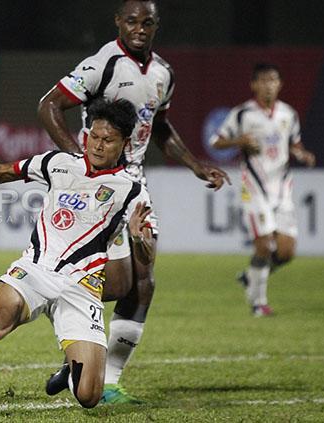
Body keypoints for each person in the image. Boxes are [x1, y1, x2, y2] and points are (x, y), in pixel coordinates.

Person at [36, 0, 229, 403]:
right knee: (104, 280)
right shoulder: (104, 62)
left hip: (133, 183)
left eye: (148, 22)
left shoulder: (164, 73)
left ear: (156, 26)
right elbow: (49, 104)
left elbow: (159, 126)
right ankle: (73, 344)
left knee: (142, 284)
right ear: (118, 23)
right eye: (132, 21)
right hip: (98, 186)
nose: (139, 28)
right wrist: (78, 161)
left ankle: (105, 381)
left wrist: (195, 166)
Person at [0, 98, 155, 408]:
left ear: (125, 143)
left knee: (89, 395)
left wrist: (139, 240)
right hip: (34, 270)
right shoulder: (60, 163)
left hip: (81, 287)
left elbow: (146, 257)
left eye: (108, 140)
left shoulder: (132, 189)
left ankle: (71, 372)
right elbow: (3, 171)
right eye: (93, 137)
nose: (97, 146)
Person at [211, 63, 315, 317]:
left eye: (274, 80)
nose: (269, 85)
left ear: (279, 84)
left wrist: (302, 154)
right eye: (264, 80)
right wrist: (239, 141)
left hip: (282, 189)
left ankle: (251, 276)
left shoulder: (288, 114)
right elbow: (216, 141)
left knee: (287, 252)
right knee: (264, 246)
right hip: (254, 188)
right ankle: (259, 304)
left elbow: (294, 143)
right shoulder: (243, 114)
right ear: (254, 85)